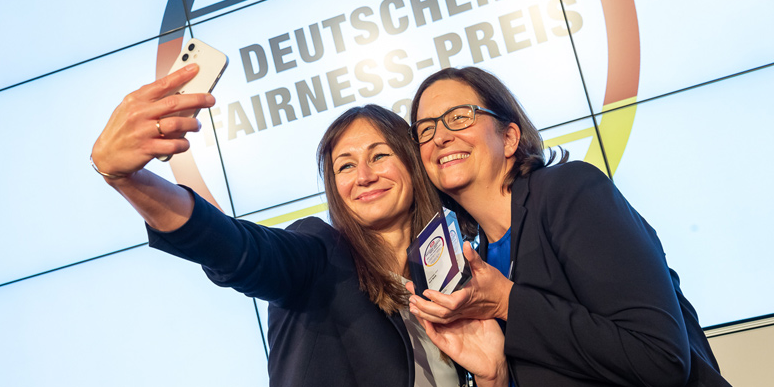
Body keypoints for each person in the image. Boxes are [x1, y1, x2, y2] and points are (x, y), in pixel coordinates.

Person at [89, 65, 510, 387]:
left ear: (413, 164)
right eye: (345, 166)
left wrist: (494, 377)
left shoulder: (452, 279)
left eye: (379, 156)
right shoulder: (320, 255)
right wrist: (128, 179)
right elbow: (240, 250)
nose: (364, 176)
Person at [406, 67, 730, 387]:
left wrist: (508, 303)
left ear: (509, 138)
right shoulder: (478, 262)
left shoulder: (569, 191)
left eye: (459, 117)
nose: (440, 137)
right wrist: (494, 376)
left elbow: (661, 359)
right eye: (425, 130)